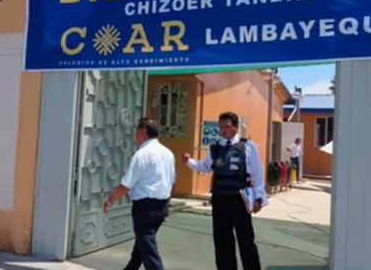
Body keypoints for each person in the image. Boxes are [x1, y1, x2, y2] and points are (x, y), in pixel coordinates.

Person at [182, 111, 267, 270]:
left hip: (240, 198)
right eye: (221, 127)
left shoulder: (248, 146)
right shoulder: (215, 148)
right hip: (220, 199)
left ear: (235, 127)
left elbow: (258, 173)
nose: (223, 130)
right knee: (222, 241)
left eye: (227, 126)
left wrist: (259, 197)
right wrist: (189, 161)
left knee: (246, 240)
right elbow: (205, 166)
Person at [103, 117, 176, 270]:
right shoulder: (168, 153)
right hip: (161, 206)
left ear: (143, 132)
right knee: (142, 245)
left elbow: (126, 184)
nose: (135, 135)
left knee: (148, 247)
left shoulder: (142, 154)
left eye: (136, 131)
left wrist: (110, 200)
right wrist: (167, 204)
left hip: (145, 207)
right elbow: (171, 181)